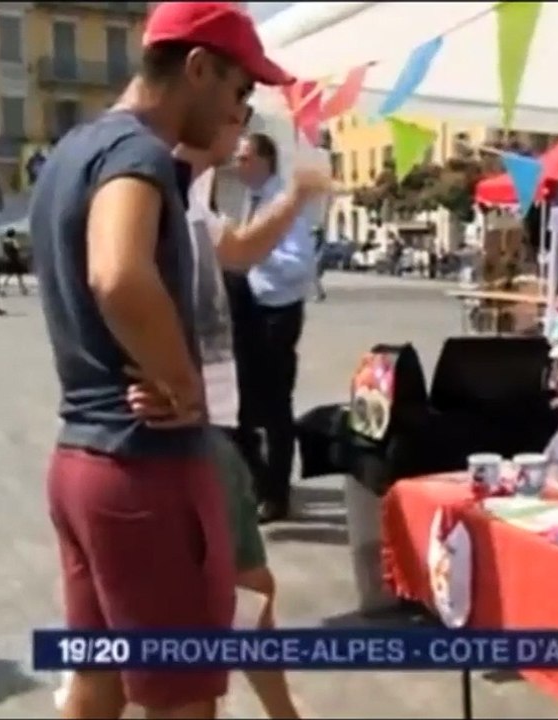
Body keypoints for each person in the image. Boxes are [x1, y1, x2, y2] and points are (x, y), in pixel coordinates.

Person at [27, 3, 293, 718]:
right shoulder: (137, 152)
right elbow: (116, 274)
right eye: (239, 91)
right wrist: (180, 382)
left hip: (80, 460)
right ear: (198, 69)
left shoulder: (71, 152)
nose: (243, 110)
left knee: (98, 683)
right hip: (145, 470)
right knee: (182, 698)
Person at [127, 108, 326, 719]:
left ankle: (283, 714)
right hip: (189, 433)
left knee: (244, 594)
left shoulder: (190, 200)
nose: (240, 136)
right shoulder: (150, 191)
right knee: (222, 606)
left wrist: (295, 195)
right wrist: (161, 378)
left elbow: (237, 250)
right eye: (234, 109)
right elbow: (113, 283)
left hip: (205, 425)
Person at [234, 132, 317, 523]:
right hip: (251, 309)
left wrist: (255, 252)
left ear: (266, 160)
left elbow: (300, 266)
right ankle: (261, 483)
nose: (239, 164)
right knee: (247, 406)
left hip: (277, 313)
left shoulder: (283, 205)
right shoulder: (252, 201)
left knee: (275, 406)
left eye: (246, 157)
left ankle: (277, 494)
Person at [0, 228, 29, 295]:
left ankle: (3, 289)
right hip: (15, 260)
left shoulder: (5, 241)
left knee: (9, 275)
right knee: (19, 275)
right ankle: (23, 289)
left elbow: (4, 251)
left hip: (9, 260)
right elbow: (18, 248)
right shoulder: (13, 241)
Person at [312, 226, 327, 301]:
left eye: (315, 233)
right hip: (317, 259)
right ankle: (321, 292)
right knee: (315, 278)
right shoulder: (320, 240)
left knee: (315, 277)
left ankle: (320, 294)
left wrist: (316, 259)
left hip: (316, 259)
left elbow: (318, 251)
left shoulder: (319, 240)